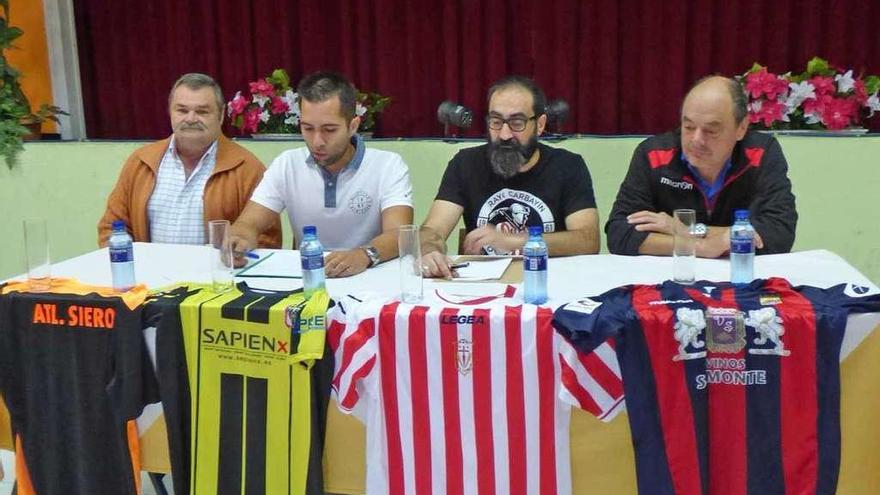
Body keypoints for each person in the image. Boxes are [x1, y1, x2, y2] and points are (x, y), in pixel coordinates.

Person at [229, 71, 413, 277]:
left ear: (353, 126)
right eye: (308, 128)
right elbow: (249, 223)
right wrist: (240, 238)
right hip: (311, 277)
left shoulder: (387, 165)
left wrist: (363, 255)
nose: (317, 141)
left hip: (370, 276)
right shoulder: (287, 164)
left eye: (329, 130)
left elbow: (400, 234)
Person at [420, 75, 600, 278]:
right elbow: (432, 230)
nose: (504, 134)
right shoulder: (465, 164)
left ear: (540, 125)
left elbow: (588, 240)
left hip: (550, 281)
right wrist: (429, 252)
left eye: (517, 122)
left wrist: (517, 241)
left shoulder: (568, 166)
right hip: (484, 286)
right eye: (496, 121)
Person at [605, 75, 797, 257]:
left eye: (711, 131)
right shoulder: (653, 154)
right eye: (688, 127)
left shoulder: (761, 153)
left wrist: (685, 229)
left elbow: (777, 235)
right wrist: (700, 246)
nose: (696, 140)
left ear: (741, 128)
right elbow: (619, 233)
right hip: (672, 278)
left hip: (739, 277)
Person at [97, 73, 281, 247]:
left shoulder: (247, 168)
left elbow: (266, 239)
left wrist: (235, 264)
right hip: (150, 279)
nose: (191, 119)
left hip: (218, 278)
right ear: (170, 111)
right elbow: (112, 228)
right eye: (182, 110)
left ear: (221, 114)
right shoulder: (140, 161)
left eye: (202, 111)